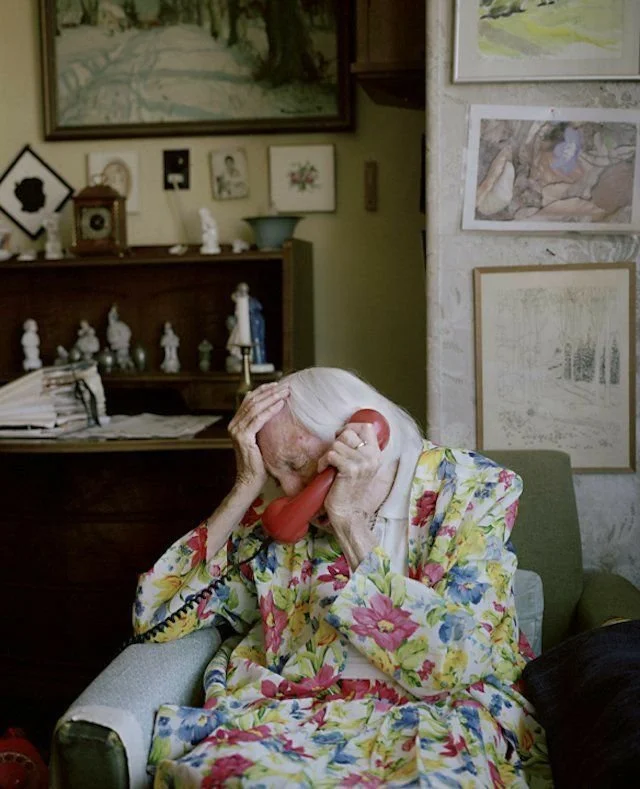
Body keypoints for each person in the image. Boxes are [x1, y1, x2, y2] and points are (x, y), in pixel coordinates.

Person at [133, 368, 547, 787]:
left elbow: (455, 664)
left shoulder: (473, 491)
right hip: (300, 714)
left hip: (439, 716)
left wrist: (350, 523)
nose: (292, 492)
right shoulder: (279, 516)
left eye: (298, 466)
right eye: (278, 477)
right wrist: (245, 486)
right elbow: (154, 616)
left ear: (363, 438)